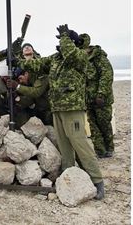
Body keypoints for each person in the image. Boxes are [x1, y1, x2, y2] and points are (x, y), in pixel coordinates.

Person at [37, 25, 104, 199]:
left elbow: (71, 52)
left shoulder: (79, 56)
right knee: (64, 144)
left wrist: (66, 36)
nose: (60, 42)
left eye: (63, 40)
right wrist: (16, 59)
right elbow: (36, 64)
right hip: (57, 107)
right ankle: (68, 177)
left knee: (79, 142)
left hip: (72, 107)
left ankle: (97, 180)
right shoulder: (56, 59)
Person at [80, 33, 115, 158]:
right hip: (88, 99)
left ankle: (109, 148)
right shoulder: (79, 58)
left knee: (104, 123)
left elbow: (106, 75)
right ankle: (100, 151)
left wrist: (101, 94)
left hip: (101, 99)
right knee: (93, 126)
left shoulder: (98, 57)